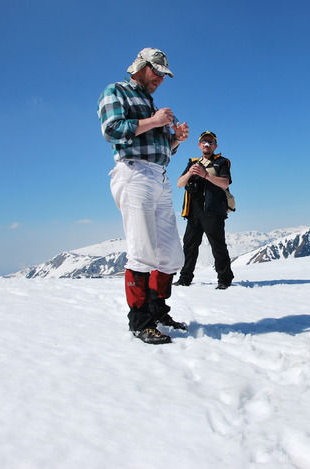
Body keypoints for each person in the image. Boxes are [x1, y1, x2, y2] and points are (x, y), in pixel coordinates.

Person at [97, 47, 190, 345]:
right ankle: (140, 322)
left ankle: (157, 311)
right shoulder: (117, 91)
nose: (161, 79)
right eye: (158, 72)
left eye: (164, 75)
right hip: (134, 173)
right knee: (142, 251)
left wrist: (175, 139)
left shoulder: (149, 102)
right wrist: (155, 121)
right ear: (141, 65)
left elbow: (160, 149)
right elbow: (112, 130)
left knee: (171, 255)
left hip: (157, 176)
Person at [175, 131, 235, 289]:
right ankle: (185, 278)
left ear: (215, 146)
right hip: (194, 211)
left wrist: (206, 175)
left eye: (210, 142)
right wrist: (189, 173)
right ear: (199, 145)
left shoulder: (221, 162)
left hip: (213, 211)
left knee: (217, 245)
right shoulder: (192, 163)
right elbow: (180, 184)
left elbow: (225, 183)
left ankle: (224, 279)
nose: (206, 144)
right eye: (204, 141)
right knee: (189, 245)